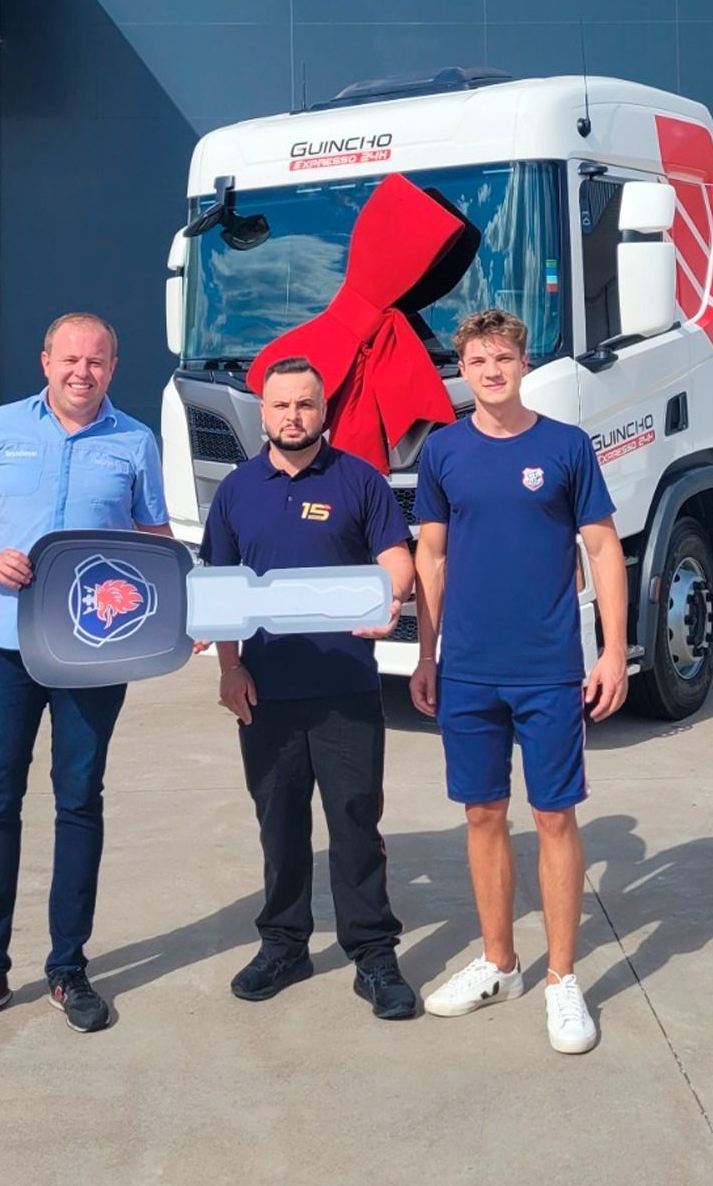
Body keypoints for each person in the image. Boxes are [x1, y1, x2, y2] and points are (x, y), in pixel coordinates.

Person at [0, 313, 172, 1038]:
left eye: (96, 361)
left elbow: (154, 537)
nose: (82, 372)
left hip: (94, 656)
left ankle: (68, 968)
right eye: (70, 359)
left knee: (79, 800)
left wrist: (174, 617)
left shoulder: (134, 441)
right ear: (46, 362)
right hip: (4, 648)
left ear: (113, 368)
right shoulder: (2, 429)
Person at [409, 308, 629, 1055]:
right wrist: (427, 654)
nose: (492, 371)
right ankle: (499, 963)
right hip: (468, 668)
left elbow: (602, 548)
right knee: (481, 814)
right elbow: (431, 557)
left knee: (554, 817)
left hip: (547, 668)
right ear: (463, 370)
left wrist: (613, 650)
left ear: (523, 364)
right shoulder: (444, 450)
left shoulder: (564, 447)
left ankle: (562, 978)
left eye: (503, 358)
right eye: (478, 361)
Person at [200, 356, 418, 1020]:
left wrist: (392, 596)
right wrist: (229, 669)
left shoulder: (360, 480)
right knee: (279, 821)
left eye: (305, 404)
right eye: (281, 405)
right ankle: (284, 944)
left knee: (354, 819)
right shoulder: (237, 490)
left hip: (344, 685)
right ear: (262, 413)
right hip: (266, 688)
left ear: (324, 411)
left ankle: (373, 954)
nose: (293, 416)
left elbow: (397, 559)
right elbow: (219, 588)